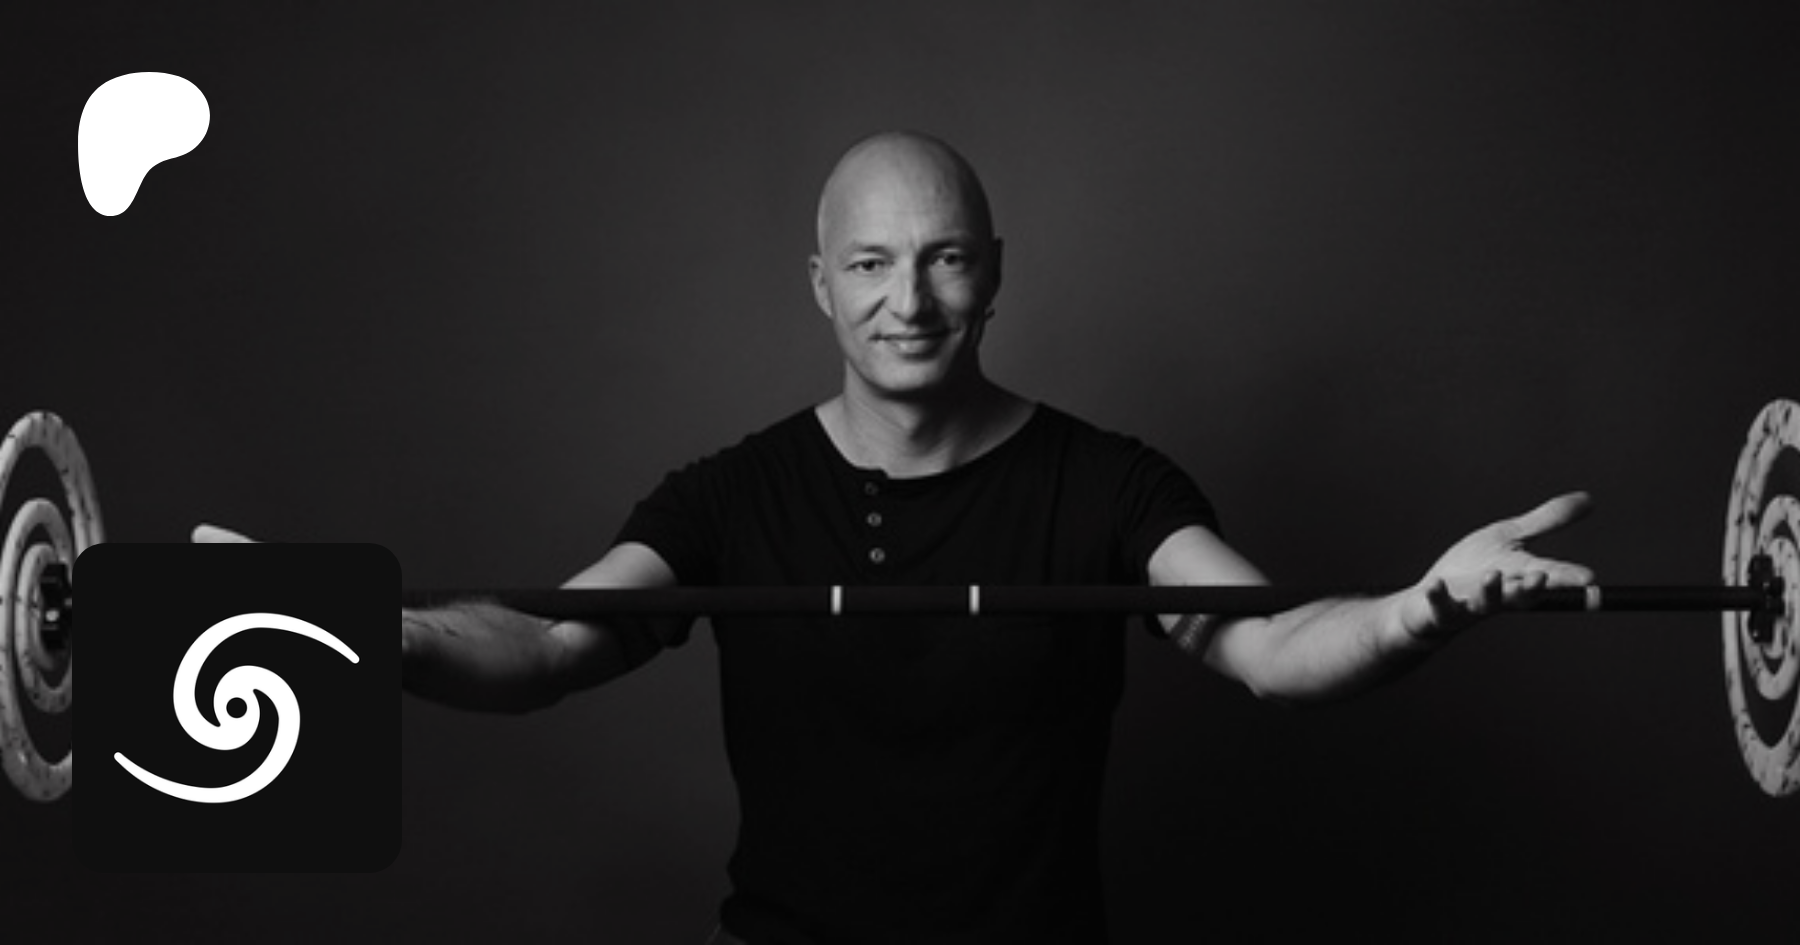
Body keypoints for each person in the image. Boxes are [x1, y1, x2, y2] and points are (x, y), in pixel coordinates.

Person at [196, 131, 1594, 944]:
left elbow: (1275, 646)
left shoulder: (1106, 484)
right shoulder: (733, 493)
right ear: (822, 284)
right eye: (870, 264)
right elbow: (553, 642)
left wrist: (1424, 604)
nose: (908, 302)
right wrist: (367, 637)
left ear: (994, 275)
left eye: (944, 259)